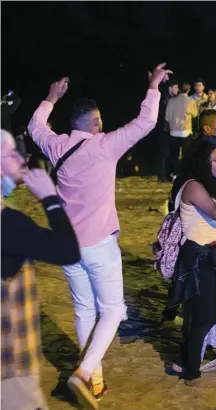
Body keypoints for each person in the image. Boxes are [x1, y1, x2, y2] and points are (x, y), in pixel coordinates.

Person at [28, 63, 171, 408]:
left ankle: (95, 379)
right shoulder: (104, 145)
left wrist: (50, 97)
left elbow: (35, 127)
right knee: (113, 309)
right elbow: (146, 122)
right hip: (98, 243)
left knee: (83, 310)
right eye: (100, 119)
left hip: (66, 244)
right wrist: (153, 83)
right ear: (94, 123)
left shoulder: (57, 146)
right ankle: (84, 372)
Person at [1, 130, 81, 410]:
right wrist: (50, 199)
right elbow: (68, 251)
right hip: (9, 366)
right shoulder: (8, 224)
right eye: (10, 154)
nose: (21, 157)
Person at [165, 140, 216, 386]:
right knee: (201, 315)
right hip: (197, 257)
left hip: (212, 255)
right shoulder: (193, 187)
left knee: (213, 311)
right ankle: (191, 373)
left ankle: (180, 361)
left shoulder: (206, 185)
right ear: (202, 162)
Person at [165, 81, 199, 178]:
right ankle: (185, 174)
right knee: (186, 155)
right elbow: (195, 114)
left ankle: (174, 174)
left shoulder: (171, 101)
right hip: (186, 132)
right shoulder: (190, 101)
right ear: (189, 90)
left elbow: (167, 117)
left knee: (174, 155)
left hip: (173, 132)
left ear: (179, 89)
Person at [157, 79, 179, 182]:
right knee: (164, 153)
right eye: (175, 87)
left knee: (171, 153)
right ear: (170, 88)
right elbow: (163, 115)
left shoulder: (174, 99)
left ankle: (168, 174)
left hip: (171, 130)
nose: (177, 90)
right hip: (165, 130)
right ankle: (161, 175)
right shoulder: (165, 99)